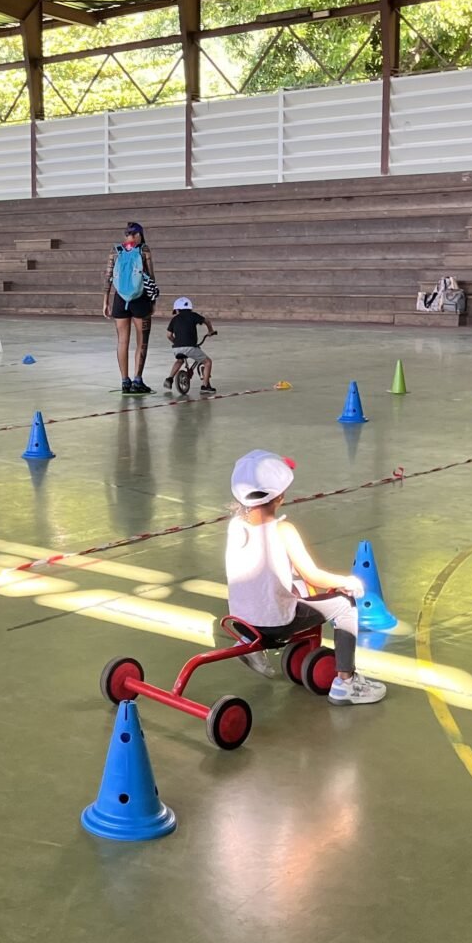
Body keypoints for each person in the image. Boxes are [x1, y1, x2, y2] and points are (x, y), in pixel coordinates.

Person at [224, 450, 387, 706]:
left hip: (240, 620)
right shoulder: (283, 530)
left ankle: (248, 643)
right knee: (345, 605)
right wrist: (347, 582)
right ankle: (346, 682)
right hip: (275, 623)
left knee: (295, 588)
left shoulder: (236, 526)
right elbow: (314, 575)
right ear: (280, 496)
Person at [104, 221, 156, 394]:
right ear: (139, 235)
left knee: (122, 341)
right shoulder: (144, 250)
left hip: (120, 299)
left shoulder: (116, 250)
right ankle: (137, 380)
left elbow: (109, 276)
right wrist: (153, 301)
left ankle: (124, 381)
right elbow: (151, 277)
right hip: (140, 299)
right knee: (142, 342)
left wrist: (106, 300)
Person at [164, 297, 216, 393]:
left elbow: (169, 335)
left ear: (177, 309)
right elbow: (207, 321)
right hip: (190, 347)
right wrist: (210, 331)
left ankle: (169, 379)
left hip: (176, 348)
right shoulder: (193, 315)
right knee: (207, 362)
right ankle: (205, 387)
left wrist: (177, 342)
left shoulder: (174, 319)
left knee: (180, 360)